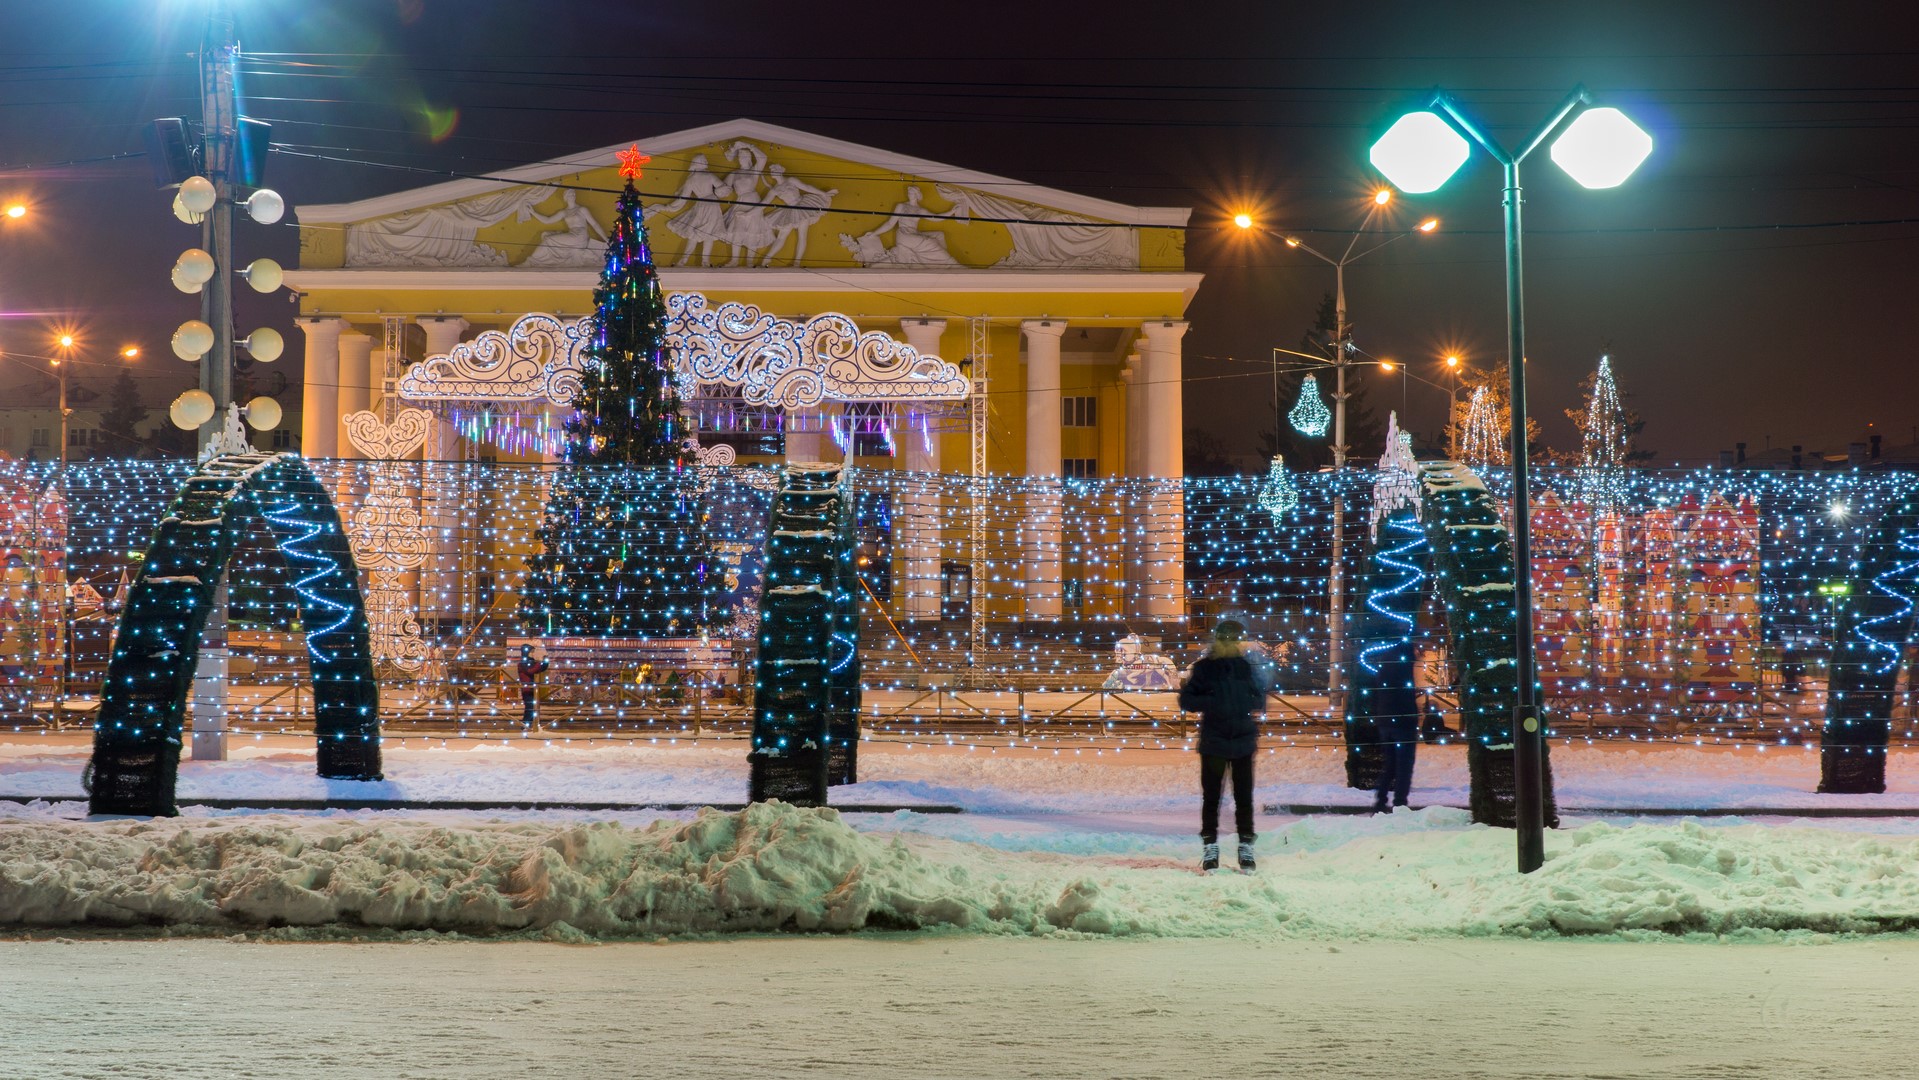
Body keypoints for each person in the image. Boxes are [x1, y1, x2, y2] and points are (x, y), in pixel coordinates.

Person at [1177, 618, 1269, 873]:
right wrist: (1214, 701)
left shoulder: (1244, 667)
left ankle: (1245, 848)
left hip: (1242, 741)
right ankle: (1210, 848)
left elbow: (1258, 697)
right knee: (1212, 798)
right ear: (1218, 640)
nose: (1232, 645)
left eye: (1235, 640)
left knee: (1244, 799)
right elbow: (1186, 699)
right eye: (1227, 639)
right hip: (1215, 743)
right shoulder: (1205, 668)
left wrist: (1247, 700)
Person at [516, 644, 549, 729]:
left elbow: (540, 669)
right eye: (531, 651)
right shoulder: (522, 663)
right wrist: (539, 663)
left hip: (532, 688)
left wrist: (545, 662)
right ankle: (525, 725)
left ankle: (529, 725)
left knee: (532, 708)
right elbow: (531, 671)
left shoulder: (531, 662)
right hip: (527, 689)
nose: (533, 653)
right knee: (530, 708)